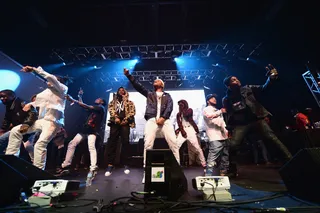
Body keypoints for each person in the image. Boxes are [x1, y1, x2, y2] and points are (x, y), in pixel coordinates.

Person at [222, 64, 292, 175]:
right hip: (242, 124)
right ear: (229, 85)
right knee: (232, 145)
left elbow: (264, 87)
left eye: (237, 78)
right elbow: (229, 114)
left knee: (272, 138)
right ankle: (232, 168)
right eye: (234, 80)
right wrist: (229, 128)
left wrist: (271, 78)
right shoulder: (226, 99)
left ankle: (291, 160)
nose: (237, 80)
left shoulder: (247, 88)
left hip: (256, 119)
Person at [6, 66, 69, 170]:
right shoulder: (47, 92)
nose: (47, 82)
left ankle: (38, 171)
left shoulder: (62, 89)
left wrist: (35, 69)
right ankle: (11, 159)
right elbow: (40, 102)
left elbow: (50, 77)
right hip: (41, 122)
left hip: (52, 123)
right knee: (16, 131)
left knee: (40, 144)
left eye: (51, 80)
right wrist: (30, 104)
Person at [124, 68, 180, 183]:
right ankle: (147, 172)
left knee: (174, 144)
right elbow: (138, 86)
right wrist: (129, 76)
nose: (156, 80)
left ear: (162, 85)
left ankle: (177, 170)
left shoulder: (168, 96)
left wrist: (163, 118)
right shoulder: (150, 94)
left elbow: (170, 107)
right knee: (148, 145)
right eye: (155, 80)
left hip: (165, 121)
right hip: (151, 120)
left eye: (158, 80)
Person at [57, 96, 106, 183]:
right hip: (85, 129)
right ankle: (66, 164)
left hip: (92, 130)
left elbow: (86, 106)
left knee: (91, 147)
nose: (97, 99)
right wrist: (80, 97)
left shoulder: (100, 108)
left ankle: (93, 167)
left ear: (101, 102)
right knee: (72, 143)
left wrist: (73, 100)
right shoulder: (95, 109)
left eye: (99, 98)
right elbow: (83, 106)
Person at [105, 87, 136, 176]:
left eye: (123, 90)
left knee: (125, 143)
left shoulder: (130, 102)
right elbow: (110, 110)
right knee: (112, 142)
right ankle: (110, 164)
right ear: (118, 92)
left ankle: (126, 164)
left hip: (125, 123)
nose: (122, 91)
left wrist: (125, 120)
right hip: (115, 123)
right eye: (120, 90)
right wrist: (116, 118)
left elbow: (132, 112)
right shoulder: (113, 102)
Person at [0, 90, 37, 161]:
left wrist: (23, 129)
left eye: (4, 96)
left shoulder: (22, 102)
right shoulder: (9, 106)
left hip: (26, 128)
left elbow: (33, 114)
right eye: (0, 97)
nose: (2, 99)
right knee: (28, 147)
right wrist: (3, 129)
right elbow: (7, 119)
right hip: (19, 129)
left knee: (28, 147)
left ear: (12, 96)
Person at [203, 94, 229, 176]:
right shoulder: (206, 109)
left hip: (223, 136)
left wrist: (227, 132)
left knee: (225, 156)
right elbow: (209, 116)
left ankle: (223, 173)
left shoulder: (217, 110)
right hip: (214, 136)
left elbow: (222, 123)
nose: (214, 99)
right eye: (212, 98)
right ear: (208, 101)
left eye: (215, 98)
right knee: (213, 156)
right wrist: (220, 111)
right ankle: (208, 174)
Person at [175, 99, 206, 169]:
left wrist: (182, 110)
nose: (180, 106)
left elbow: (188, 116)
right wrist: (182, 131)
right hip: (183, 130)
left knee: (197, 147)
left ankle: (203, 163)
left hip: (190, 129)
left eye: (181, 104)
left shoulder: (189, 110)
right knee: (176, 146)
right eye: (179, 105)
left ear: (185, 104)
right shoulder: (178, 114)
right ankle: (176, 163)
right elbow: (179, 124)